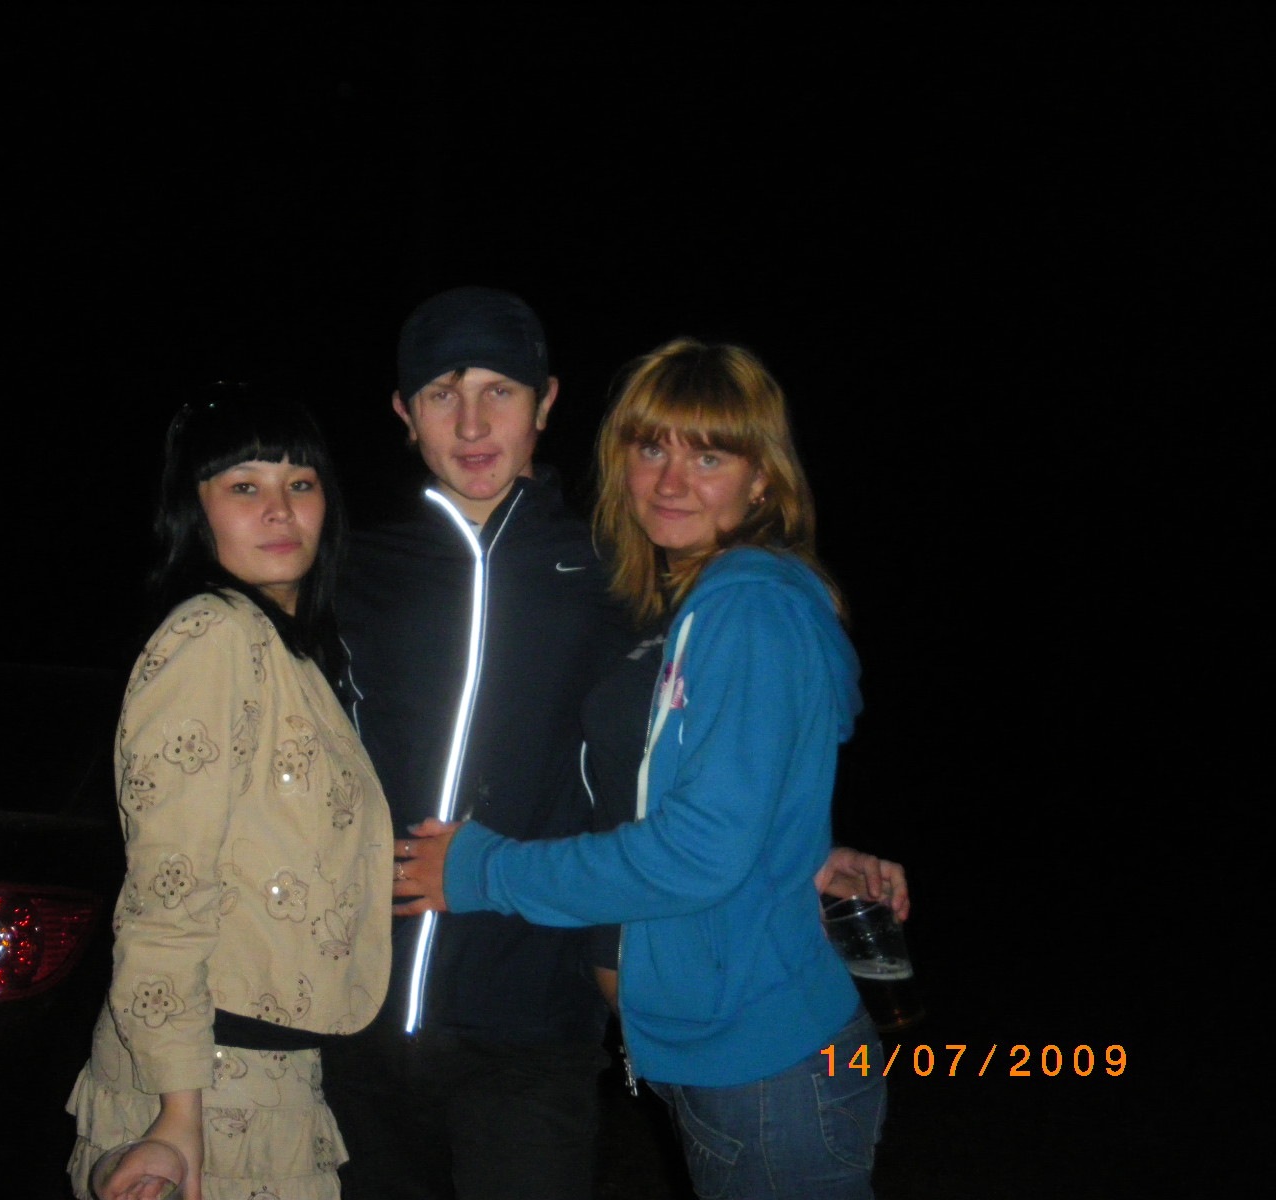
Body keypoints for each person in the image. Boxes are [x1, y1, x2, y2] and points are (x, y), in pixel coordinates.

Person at [327, 288, 903, 1200]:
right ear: (404, 412)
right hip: (359, 1007)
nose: (472, 423)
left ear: (547, 402)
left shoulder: (625, 574)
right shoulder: (345, 569)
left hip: (537, 1018)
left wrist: (788, 845)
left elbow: (705, 771)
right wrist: (802, 853)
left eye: (500, 390)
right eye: (442, 394)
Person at [66, 385, 395, 1200]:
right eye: (245, 486)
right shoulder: (211, 636)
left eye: (300, 483)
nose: (280, 510)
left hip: (265, 1075)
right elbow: (166, 890)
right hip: (208, 1085)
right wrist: (179, 1114)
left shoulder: (287, 650)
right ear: (195, 510)